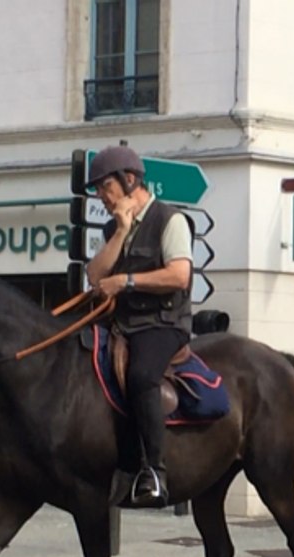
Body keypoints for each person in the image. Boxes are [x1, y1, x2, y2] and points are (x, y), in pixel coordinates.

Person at [85, 145, 195, 508]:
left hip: (163, 323)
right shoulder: (112, 227)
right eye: (98, 190)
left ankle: (154, 472)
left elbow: (179, 275)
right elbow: (95, 276)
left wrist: (127, 281)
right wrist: (120, 231)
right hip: (122, 324)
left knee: (141, 375)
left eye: (105, 187)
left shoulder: (170, 220)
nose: (101, 196)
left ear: (129, 180)